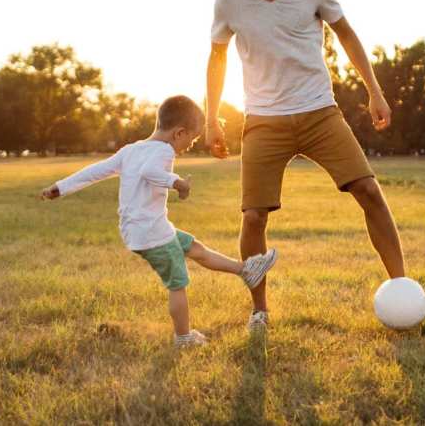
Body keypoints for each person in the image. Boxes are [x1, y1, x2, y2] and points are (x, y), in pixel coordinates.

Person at [205, 0, 425, 331]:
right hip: (264, 119)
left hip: (320, 111)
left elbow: (347, 35)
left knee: (369, 191)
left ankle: (408, 292)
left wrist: (374, 90)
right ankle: (259, 310)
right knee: (253, 217)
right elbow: (217, 57)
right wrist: (211, 117)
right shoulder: (228, 0)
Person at [41, 95, 278, 347]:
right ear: (179, 133)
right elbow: (150, 172)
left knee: (193, 247)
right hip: (152, 233)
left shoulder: (130, 150)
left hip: (142, 230)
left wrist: (61, 187)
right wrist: (178, 183)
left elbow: (95, 171)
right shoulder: (164, 150)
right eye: (192, 138)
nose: (190, 144)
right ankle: (184, 337)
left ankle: (246, 270)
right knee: (178, 283)